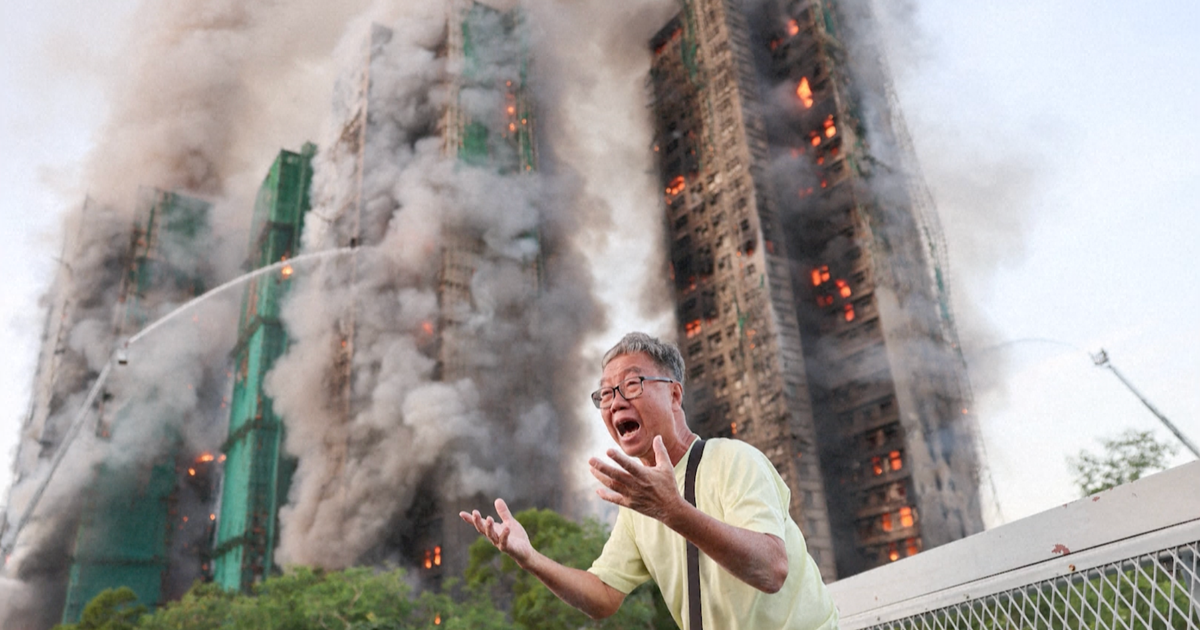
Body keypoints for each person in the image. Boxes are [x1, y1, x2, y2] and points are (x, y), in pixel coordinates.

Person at [460, 332, 838, 629]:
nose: (615, 401)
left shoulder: (734, 461)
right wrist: (530, 559)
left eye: (632, 385)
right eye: (606, 394)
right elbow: (603, 596)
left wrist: (673, 511)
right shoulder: (641, 506)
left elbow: (771, 569)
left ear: (674, 394)